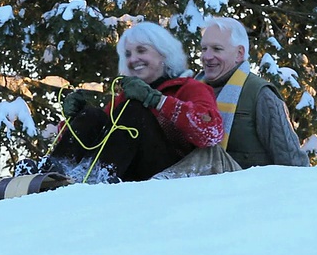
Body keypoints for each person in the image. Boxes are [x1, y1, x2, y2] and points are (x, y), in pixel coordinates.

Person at [18, 21, 225, 182]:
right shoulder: (124, 98)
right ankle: (54, 170)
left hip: (170, 174)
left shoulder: (190, 88)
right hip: (128, 171)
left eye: (142, 50)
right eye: (128, 54)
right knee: (93, 115)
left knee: (135, 111)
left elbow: (211, 133)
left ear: (163, 53)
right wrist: (75, 119)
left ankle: (98, 176)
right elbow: (102, 134)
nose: (133, 59)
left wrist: (158, 101)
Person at [197, 17, 309, 168]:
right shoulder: (190, 91)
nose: (207, 57)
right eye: (204, 49)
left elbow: (292, 163)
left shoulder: (261, 95)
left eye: (217, 49)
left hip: (248, 191)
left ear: (239, 53)